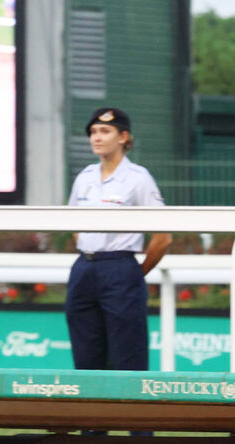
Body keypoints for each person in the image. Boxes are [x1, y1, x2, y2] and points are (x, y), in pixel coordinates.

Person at [66, 107, 170, 371]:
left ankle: (131, 413)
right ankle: (91, 412)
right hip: (84, 268)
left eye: (105, 131)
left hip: (120, 266)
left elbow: (163, 236)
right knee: (86, 356)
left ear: (123, 137)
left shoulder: (138, 178)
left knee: (127, 356)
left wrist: (135, 272)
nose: (96, 138)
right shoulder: (85, 177)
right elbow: (73, 224)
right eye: (92, 132)